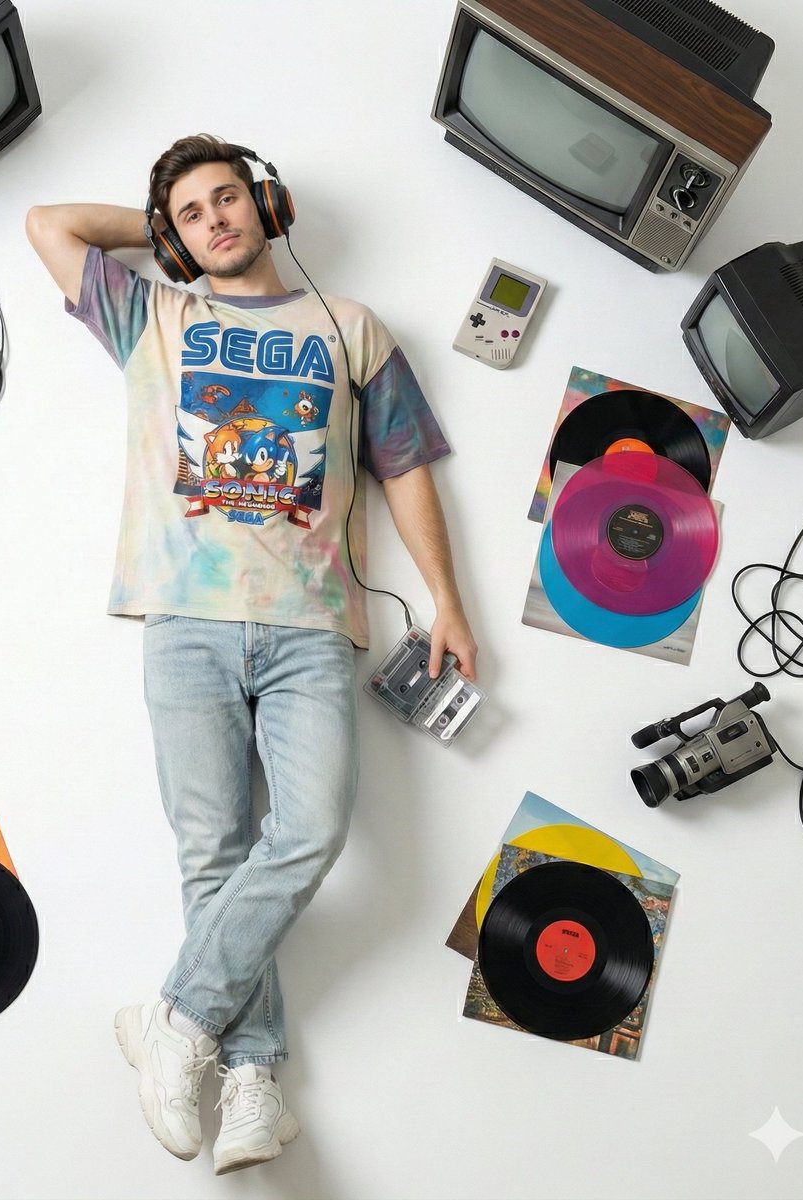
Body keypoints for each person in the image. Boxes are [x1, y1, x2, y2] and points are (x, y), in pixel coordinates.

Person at [26, 135, 477, 1174]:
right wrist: (154, 235)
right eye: (191, 213)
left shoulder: (351, 328)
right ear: (173, 240)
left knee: (311, 830)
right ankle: (255, 1079)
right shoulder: (156, 316)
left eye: (228, 198)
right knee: (212, 854)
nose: (214, 219)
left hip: (311, 626)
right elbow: (47, 226)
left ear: (267, 205)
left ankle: (176, 1023)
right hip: (181, 619)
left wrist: (448, 604)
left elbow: (406, 468)